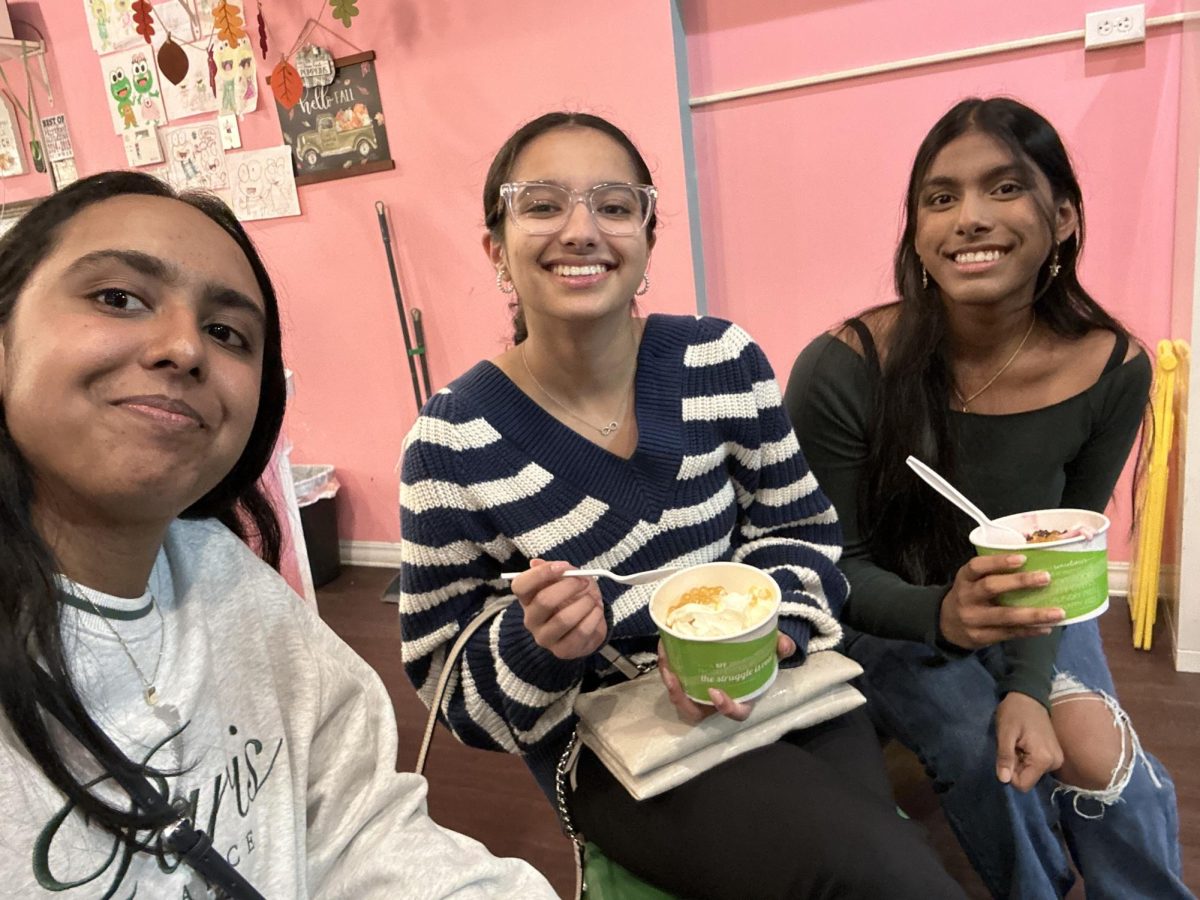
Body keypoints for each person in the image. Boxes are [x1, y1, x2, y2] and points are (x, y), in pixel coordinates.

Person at [398, 111, 965, 899]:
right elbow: (442, 680)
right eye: (542, 204)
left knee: (868, 847)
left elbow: (799, 530)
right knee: (890, 875)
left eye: (614, 204)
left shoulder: (720, 361)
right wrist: (539, 645)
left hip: (772, 677)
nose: (581, 229)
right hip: (607, 737)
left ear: (648, 241)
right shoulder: (449, 440)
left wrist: (775, 632)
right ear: (496, 248)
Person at [0, 171, 554, 899]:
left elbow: (357, 827)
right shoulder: (455, 426)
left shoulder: (230, 587)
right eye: (118, 298)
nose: (184, 349)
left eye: (227, 333)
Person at [785, 97, 1188, 900]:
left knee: (1103, 763)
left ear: (1064, 216)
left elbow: (1062, 556)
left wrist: (1031, 689)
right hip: (885, 615)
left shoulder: (1112, 370)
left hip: (1031, 603)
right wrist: (942, 615)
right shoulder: (845, 367)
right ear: (918, 234)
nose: (969, 218)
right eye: (940, 198)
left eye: (1004, 189)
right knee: (992, 761)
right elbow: (827, 567)